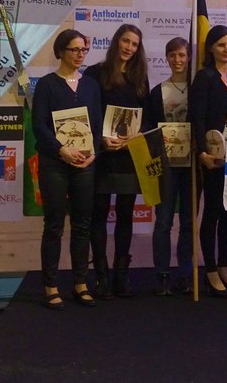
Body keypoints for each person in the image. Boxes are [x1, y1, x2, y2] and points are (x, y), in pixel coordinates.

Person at [32, 29, 102, 309]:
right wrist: (61, 150)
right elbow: (39, 126)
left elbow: (96, 125)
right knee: (54, 226)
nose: (80, 55)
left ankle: (80, 283)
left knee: (83, 225)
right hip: (55, 164)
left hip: (84, 164)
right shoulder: (47, 85)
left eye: (83, 50)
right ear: (60, 51)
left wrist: (92, 154)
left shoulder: (91, 86)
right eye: (74, 49)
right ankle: (50, 285)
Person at [83, 23, 149, 299]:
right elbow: (85, 113)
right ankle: (101, 276)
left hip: (128, 157)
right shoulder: (94, 73)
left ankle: (121, 275)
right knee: (98, 214)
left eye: (134, 44)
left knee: (125, 214)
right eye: (125, 41)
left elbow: (145, 118)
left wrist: (137, 136)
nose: (129, 47)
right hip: (101, 155)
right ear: (116, 41)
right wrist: (100, 139)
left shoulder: (140, 78)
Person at [190, 25, 227, 297]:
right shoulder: (204, 77)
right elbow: (197, 117)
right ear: (211, 47)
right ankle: (210, 269)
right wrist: (202, 152)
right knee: (212, 211)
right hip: (212, 154)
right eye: (221, 44)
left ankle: (224, 266)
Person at [145, 37, 195, 296]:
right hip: (166, 167)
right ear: (166, 58)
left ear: (189, 57)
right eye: (173, 55)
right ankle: (162, 275)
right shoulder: (158, 92)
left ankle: (185, 274)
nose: (177, 60)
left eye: (182, 55)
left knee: (188, 222)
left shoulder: (197, 90)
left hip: (192, 167)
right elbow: (148, 128)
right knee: (163, 222)